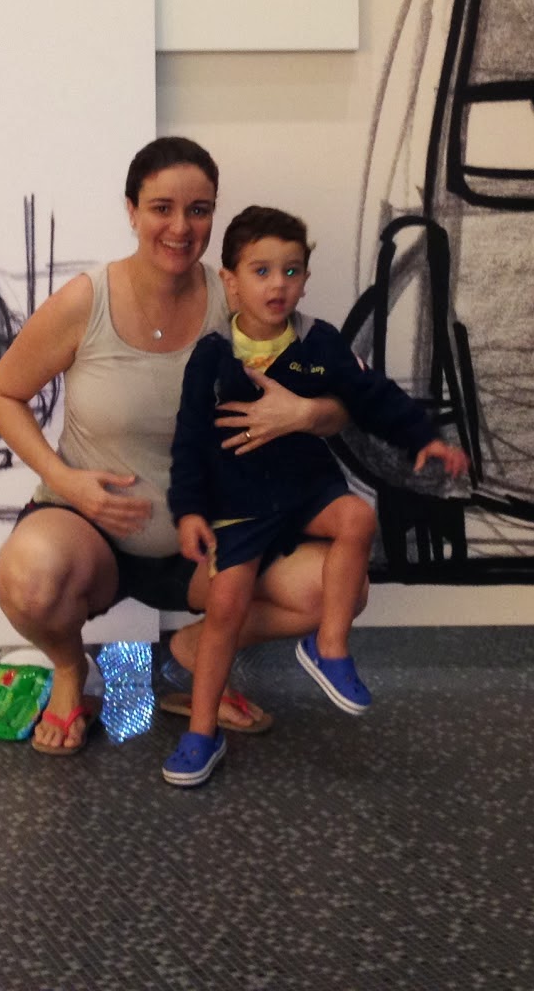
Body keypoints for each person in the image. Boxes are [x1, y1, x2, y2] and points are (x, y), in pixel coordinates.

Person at [0, 139, 349, 755]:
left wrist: (308, 411)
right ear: (131, 210)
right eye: (162, 208)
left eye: (199, 210)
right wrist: (66, 482)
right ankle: (73, 671)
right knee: (29, 579)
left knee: (335, 587)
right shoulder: (86, 300)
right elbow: (2, 393)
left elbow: (344, 402)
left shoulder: (239, 299)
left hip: (207, 539)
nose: (181, 227)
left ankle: (192, 657)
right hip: (91, 530)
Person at [160, 206, 468, 787]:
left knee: (357, 517)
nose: (278, 284)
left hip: (306, 491)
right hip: (241, 505)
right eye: (261, 271)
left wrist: (424, 437)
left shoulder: (319, 342)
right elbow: (189, 440)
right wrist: (190, 510)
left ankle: (330, 648)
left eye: (292, 270)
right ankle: (202, 732)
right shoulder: (212, 356)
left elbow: (373, 395)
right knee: (226, 609)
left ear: (304, 277)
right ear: (230, 281)